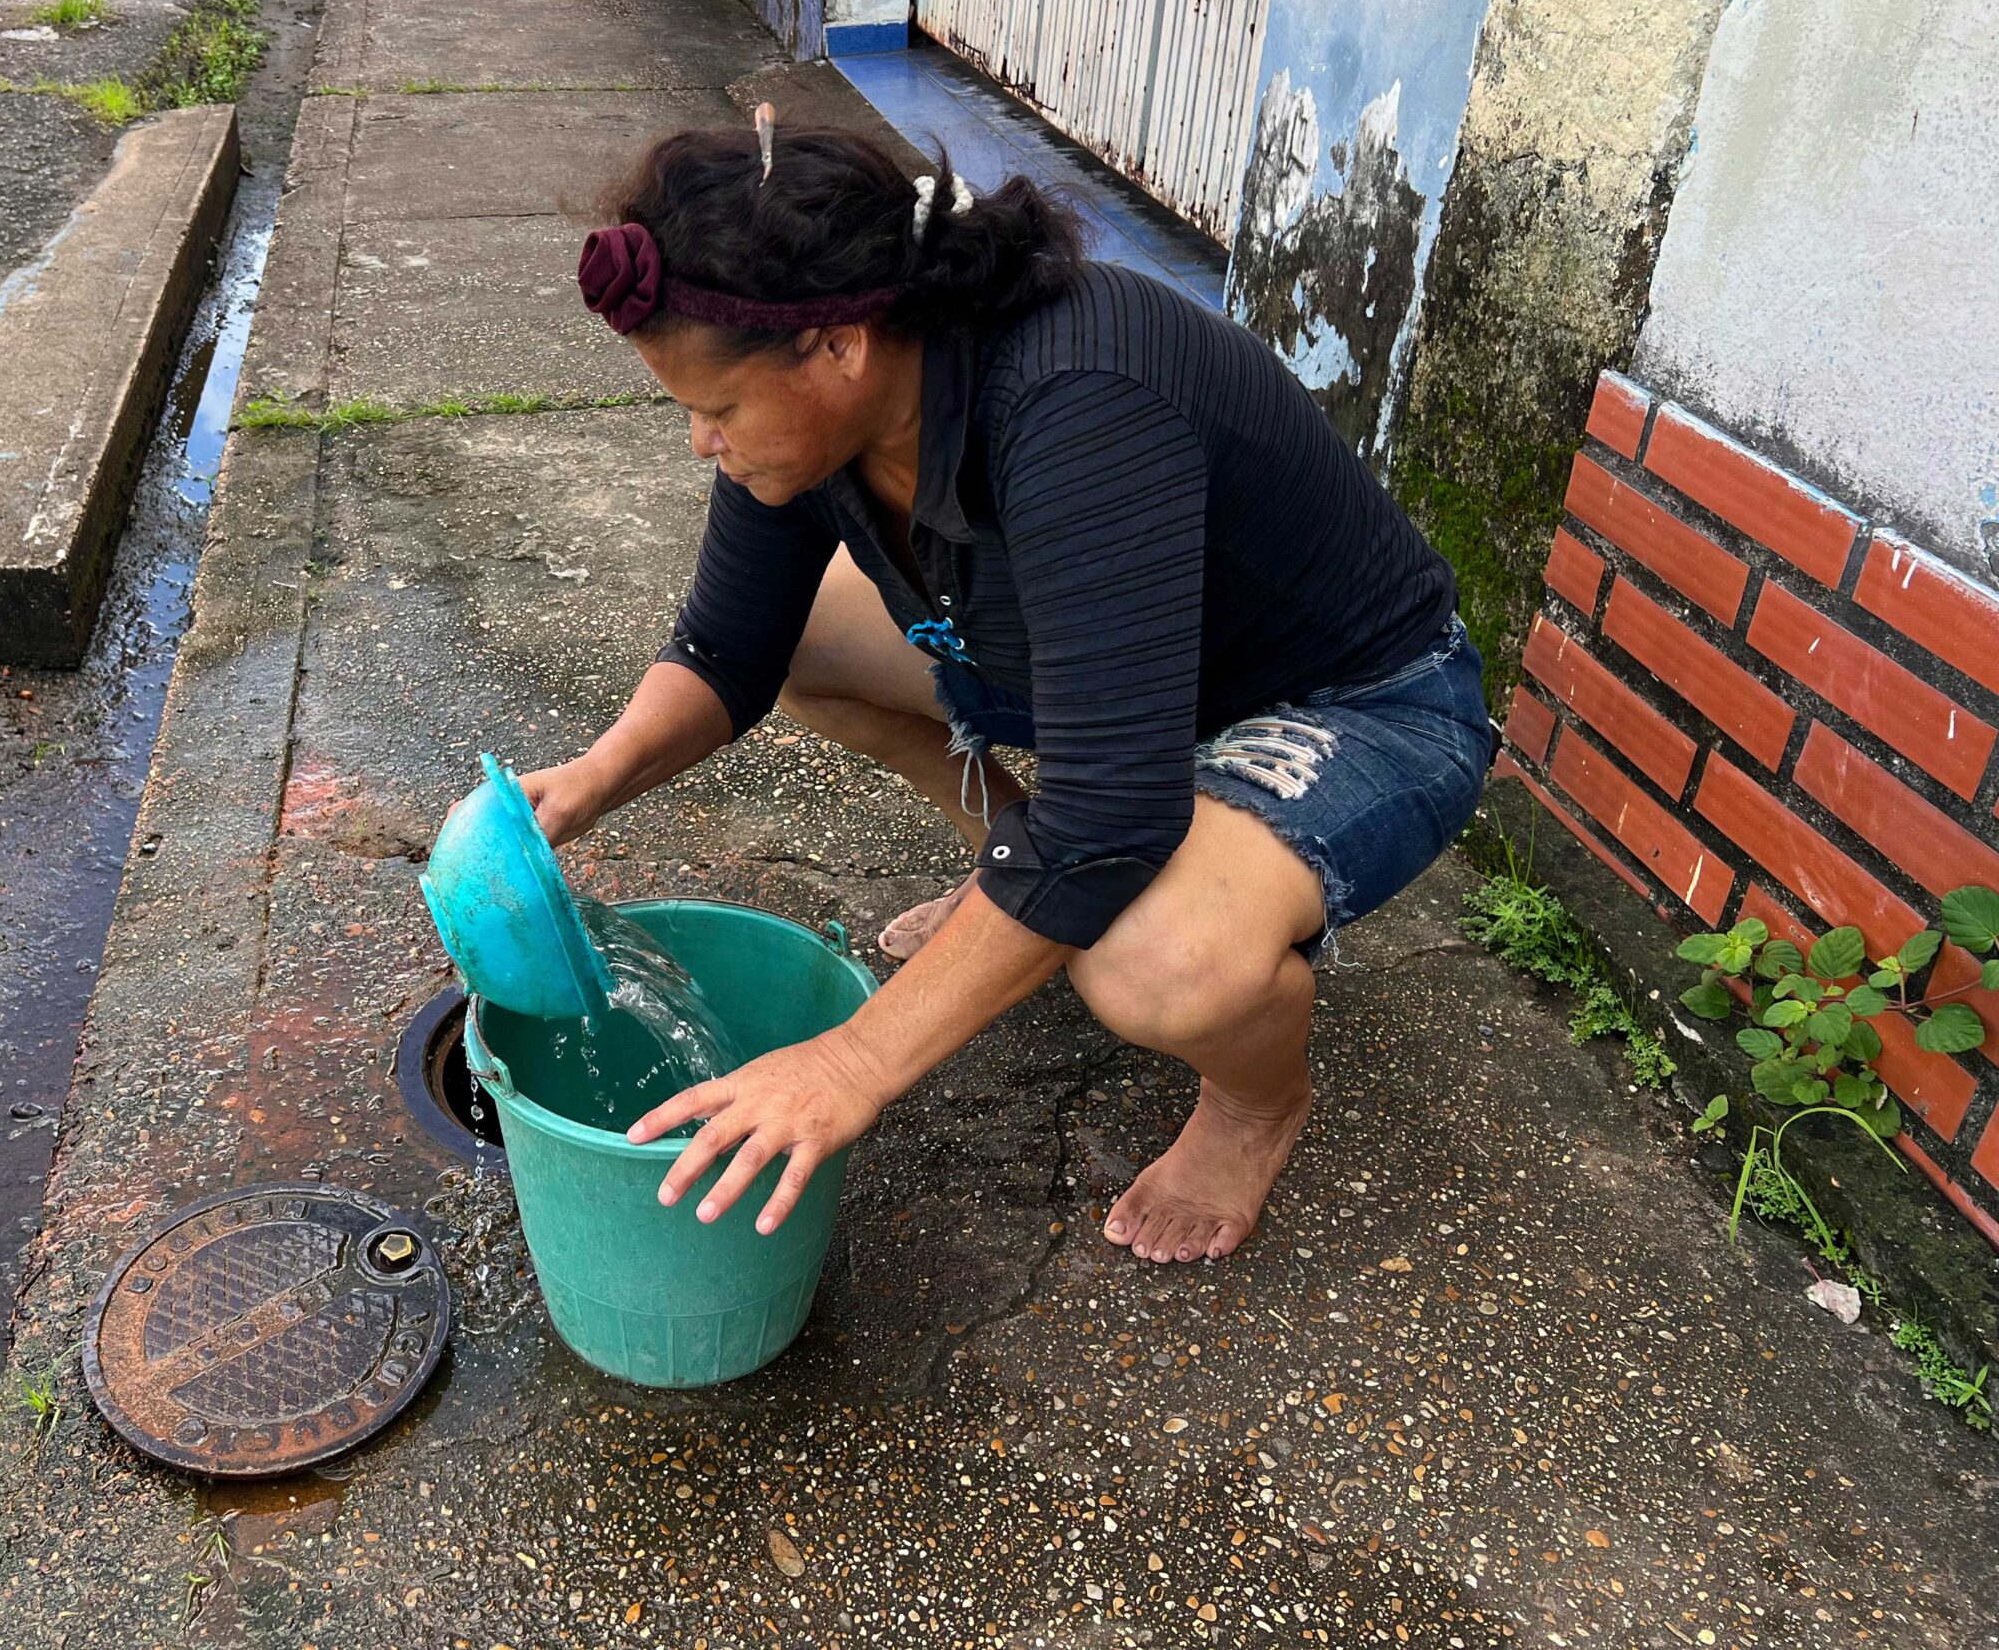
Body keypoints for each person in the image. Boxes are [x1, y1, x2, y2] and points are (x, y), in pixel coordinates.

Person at [518, 121, 1493, 1266]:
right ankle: (1011, 877)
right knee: (808, 655)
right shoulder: (819, 431)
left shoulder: (1082, 396)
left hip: (1353, 701)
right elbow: (730, 651)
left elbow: (1108, 820)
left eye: (718, 409)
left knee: (1150, 958)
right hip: (1115, 678)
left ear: (835, 344)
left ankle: (1253, 1103)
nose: (700, 443)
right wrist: (588, 783)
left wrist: (850, 1061)